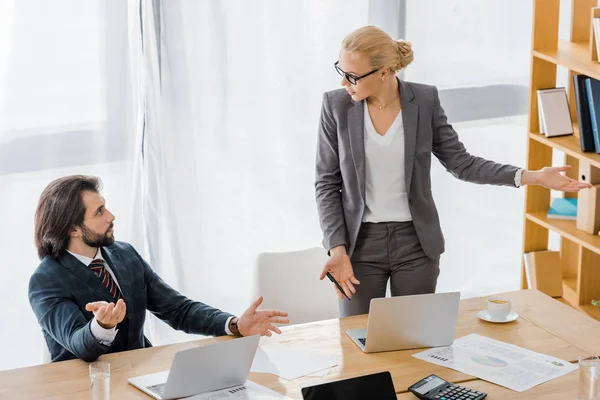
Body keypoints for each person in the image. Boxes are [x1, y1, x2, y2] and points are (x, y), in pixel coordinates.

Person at [315, 26, 592, 317]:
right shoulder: (336, 106)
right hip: (358, 248)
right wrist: (337, 248)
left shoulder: (423, 101)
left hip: (416, 244)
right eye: (341, 71)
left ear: (384, 72)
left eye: (353, 76)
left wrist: (532, 176)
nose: (345, 82)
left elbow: (462, 163)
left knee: (412, 339)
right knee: (357, 341)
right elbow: (326, 183)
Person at [29, 175, 289, 362]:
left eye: (105, 206)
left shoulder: (124, 254)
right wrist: (102, 326)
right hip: (84, 387)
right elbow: (78, 344)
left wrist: (234, 325)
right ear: (73, 229)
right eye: (99, 212)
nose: (111, 216)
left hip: (138, 376)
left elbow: (177, 310)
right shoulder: (46, 280)